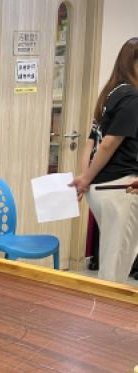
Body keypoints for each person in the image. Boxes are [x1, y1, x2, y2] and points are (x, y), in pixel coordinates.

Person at [71, 38, 138, 283]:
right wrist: (85, 179)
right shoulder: (131, 97)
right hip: (119, 188)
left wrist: (85, 178)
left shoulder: (109, 94)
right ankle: (106, 307)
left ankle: (102, 305)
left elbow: (90, 143)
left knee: (112, 258)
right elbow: (109, 143)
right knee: (115, 266)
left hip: (100, 188)